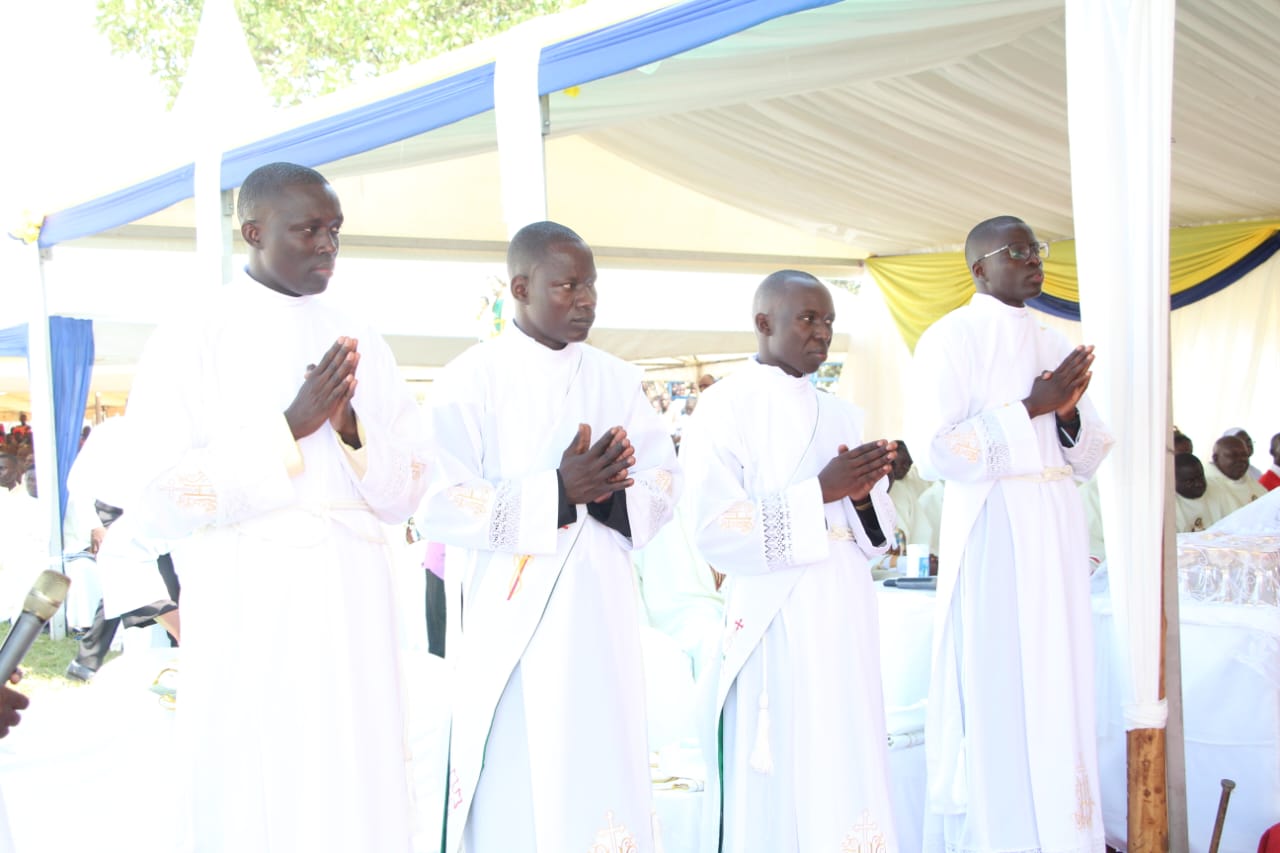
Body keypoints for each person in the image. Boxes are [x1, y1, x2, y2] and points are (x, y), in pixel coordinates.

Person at [121, 162, 430, 851]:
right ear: (253, 231)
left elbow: (411, 478)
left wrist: (351, 429)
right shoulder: (194, 333)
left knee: (359, 768)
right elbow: (152, 498)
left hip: (354, 598)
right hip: (251, 599)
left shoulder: (357, 334)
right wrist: (287, 427)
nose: (327, 244)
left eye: (334, 230)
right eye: (308, 229)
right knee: (264, 779)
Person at [422, 221, 681, 853]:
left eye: (591, 285)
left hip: (602, 601)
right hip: (511, 613)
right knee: (522, 764)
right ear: (520, 287)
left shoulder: (618, 379)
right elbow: (439, 502)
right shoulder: (470, 379)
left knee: (602, 747)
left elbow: (664, 481)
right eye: (567, 285)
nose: (586, 300)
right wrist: (558, 492)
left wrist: (612, 492)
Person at [908, 216, 1113, 853]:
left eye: (1036, 249)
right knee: (1004, 680)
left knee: (1064, 677)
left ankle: (1065, 829)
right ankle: (1008, 833)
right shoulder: (949, 339)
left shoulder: (1055, 339)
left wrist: (1069, 409)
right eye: (1015, 251)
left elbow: (1089, 455)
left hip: (1054, 521)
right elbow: (937, 449)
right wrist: (1032, 406)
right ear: (977, 268)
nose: (1032, 259)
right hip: (997, 526)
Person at [681, 270, 900, 853]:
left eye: (828, 320)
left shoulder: (844, 414)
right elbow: (712, 529)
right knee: (787, 761)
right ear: (764, 323)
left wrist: (859, 496)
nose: (822, 332)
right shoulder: (722, 408)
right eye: (808, 318)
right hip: (776, 612)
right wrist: (819, 494)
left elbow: (879, 538)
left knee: (845, 748)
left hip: (846, 604)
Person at [1205, 434, 1267, 513]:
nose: (1241, 460)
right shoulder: (1207, 487)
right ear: (1215, 458)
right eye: (1233, 455)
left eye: (1244, 455)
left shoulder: (1253, 484)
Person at [1173, 452, 1230, 533]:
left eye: (1200, 477)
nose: (1198, 484)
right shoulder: (1167, 505)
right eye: (1190, 481)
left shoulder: (1217, 488)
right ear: (1173, 481)